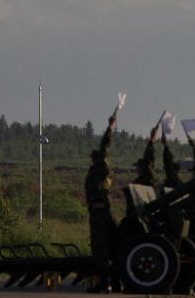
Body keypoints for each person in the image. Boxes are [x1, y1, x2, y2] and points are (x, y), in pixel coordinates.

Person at [84, 114, 118, 293]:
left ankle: (105, 281)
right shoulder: (102, 174)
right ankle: (112, 280)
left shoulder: (99, 170)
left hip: (99, 212)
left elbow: (104, 148)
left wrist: (110, 127)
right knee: (108, 245)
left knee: (100, 248)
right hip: (102, 211)